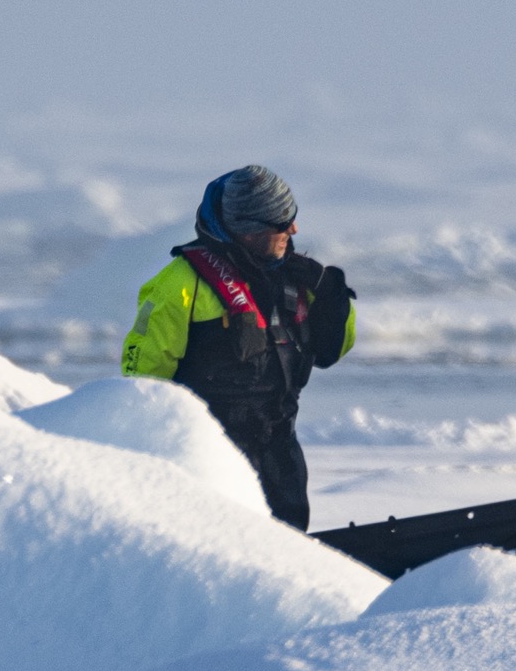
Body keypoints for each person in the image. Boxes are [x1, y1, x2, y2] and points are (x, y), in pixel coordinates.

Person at [121, 164, 358, 524]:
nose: (293, 230)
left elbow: (331, 351)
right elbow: (141, 386)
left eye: (292, 218)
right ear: (248, 230)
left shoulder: (300, 279)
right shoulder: (178, 286)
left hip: (282, 462)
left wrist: (331, 298)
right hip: (209, 465)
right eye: (281, 223)